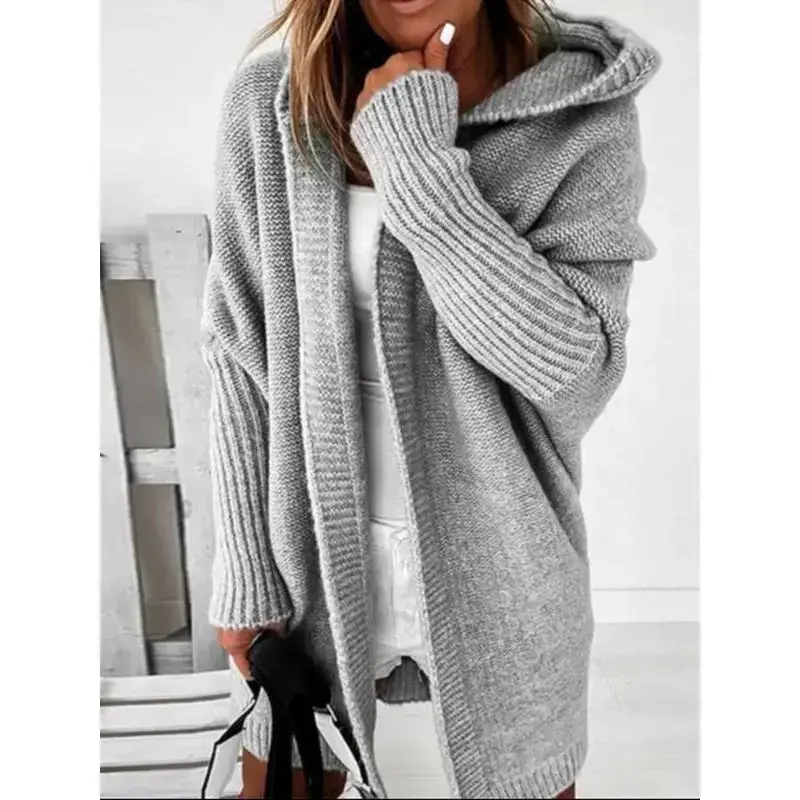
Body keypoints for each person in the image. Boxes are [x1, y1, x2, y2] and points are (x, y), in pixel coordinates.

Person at [201, 1, 660, 798]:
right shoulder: (273, 100)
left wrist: (416, 167)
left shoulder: (580, 112)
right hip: (310, 564)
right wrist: (244, 565)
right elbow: (241, 348)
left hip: (509, 570)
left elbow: (576, 377)